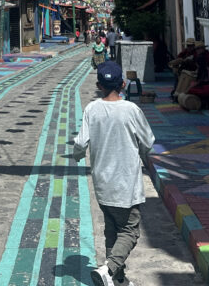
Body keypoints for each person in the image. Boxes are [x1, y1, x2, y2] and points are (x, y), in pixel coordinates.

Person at [73, 61, 155, 286]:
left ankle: (117, 279)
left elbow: (80, 143)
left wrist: (77, 155)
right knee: (130, 231)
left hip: (102, 183)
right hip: (126, 184)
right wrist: (140, 150)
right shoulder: (131, 110)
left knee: (112, 230)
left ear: (99, 85)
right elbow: (148, 141)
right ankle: (109, 270)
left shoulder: (91, 109)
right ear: (123, 83)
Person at [178, 40, 209, 111]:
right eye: (196, 49)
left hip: (207, 88)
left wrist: (189, 88)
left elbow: (202, 80)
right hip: (206, 85)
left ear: (202, 48)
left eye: (198, 49)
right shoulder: (201, 57)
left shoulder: (206, 59)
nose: (197, 51)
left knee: (190, 90)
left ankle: (198, 103)